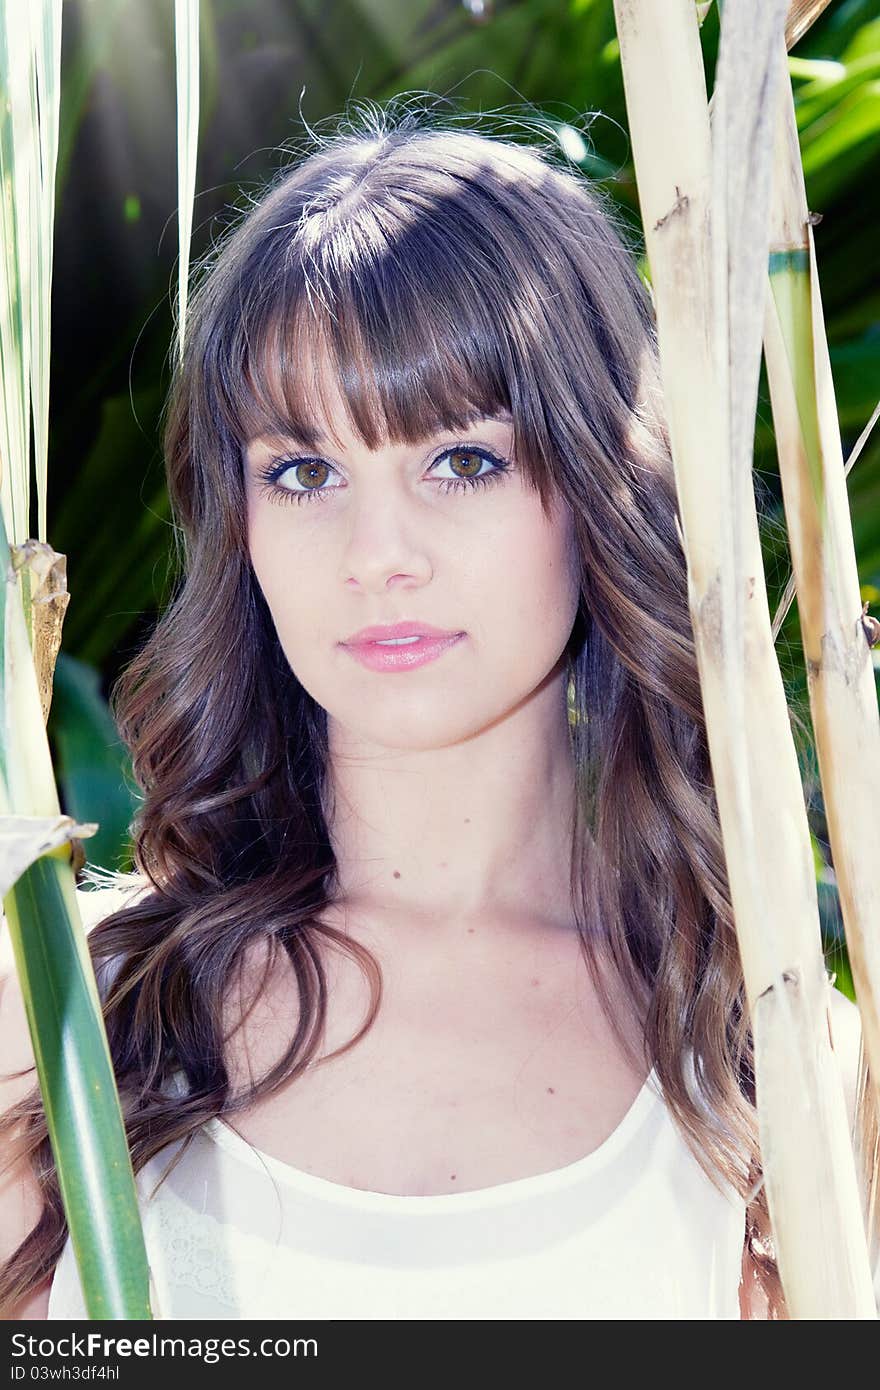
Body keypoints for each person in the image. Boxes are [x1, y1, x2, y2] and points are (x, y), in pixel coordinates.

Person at [0, 98, 865, 1322]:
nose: (378, 553)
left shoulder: (770, 1068)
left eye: (463, 460)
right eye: (303, 473)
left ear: (601, 486)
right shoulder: (58, 1009)